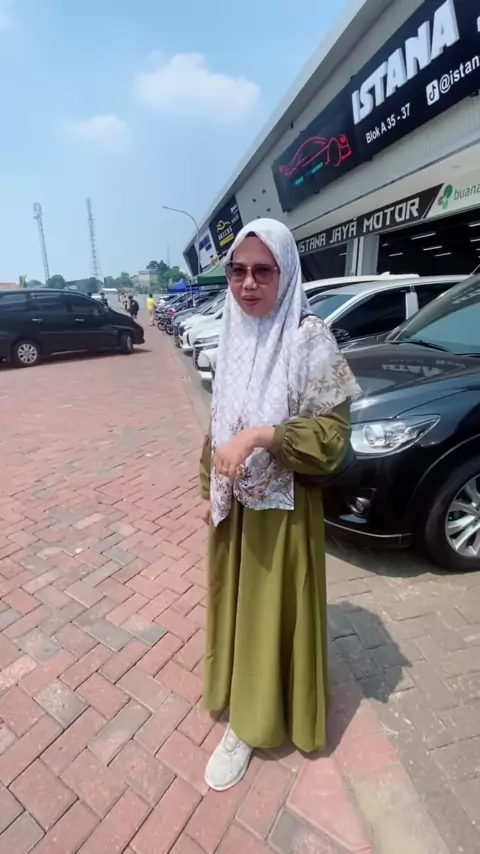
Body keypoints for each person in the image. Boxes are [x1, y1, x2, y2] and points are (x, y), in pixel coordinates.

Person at [199, 218, 360, 792]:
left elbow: (333, 439)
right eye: (238, 271)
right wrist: (208, 485)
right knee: (238, 607)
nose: (248, 284)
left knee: (269, 613)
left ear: (286, 272)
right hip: (235, 505)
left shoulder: (309, 338)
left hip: (283, 510)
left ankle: (251, 724)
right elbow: (220, 421)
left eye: (263, 271)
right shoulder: (233, 330)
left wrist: (262, 437)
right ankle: (241, 693)